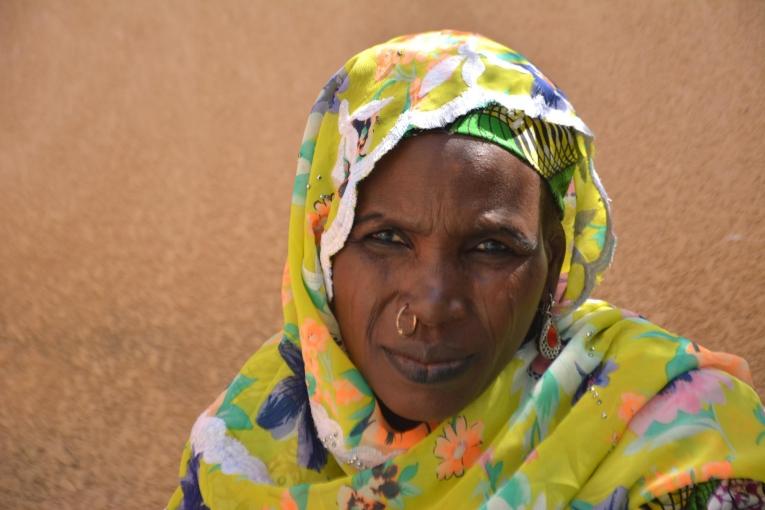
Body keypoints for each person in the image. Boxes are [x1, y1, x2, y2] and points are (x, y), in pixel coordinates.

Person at [167, 31, 765, 509]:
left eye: (490, 249)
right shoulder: (252, 437)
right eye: (387, 239)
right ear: (324, 255)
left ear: (552, 266)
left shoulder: (680, 436)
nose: (431, 304)